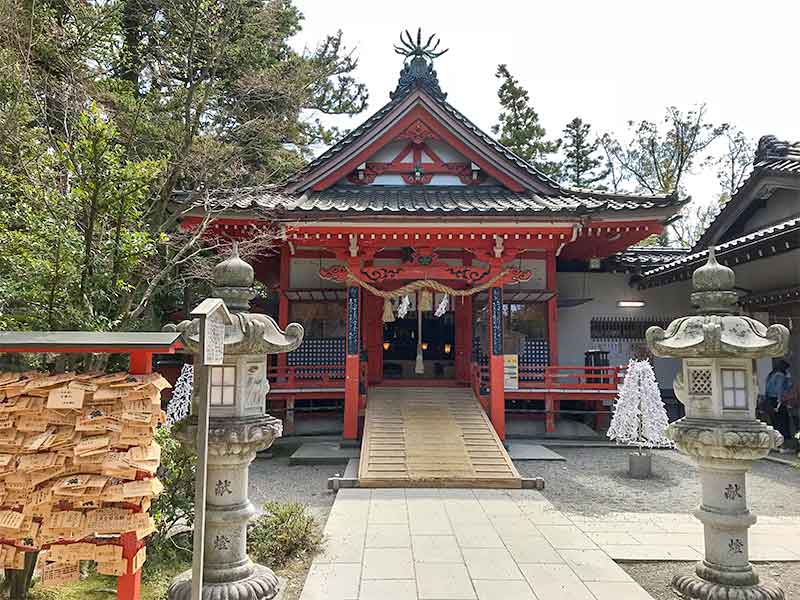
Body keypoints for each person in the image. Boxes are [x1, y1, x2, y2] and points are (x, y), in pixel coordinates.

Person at [764, 360, 792, 449]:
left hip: (770, 400)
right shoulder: (780, 376)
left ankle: (775, 444)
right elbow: (779, 389)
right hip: (777, 401)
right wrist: (780, 402)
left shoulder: (771, 375)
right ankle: (782, 445)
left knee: (774, 422)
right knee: (783, 422)